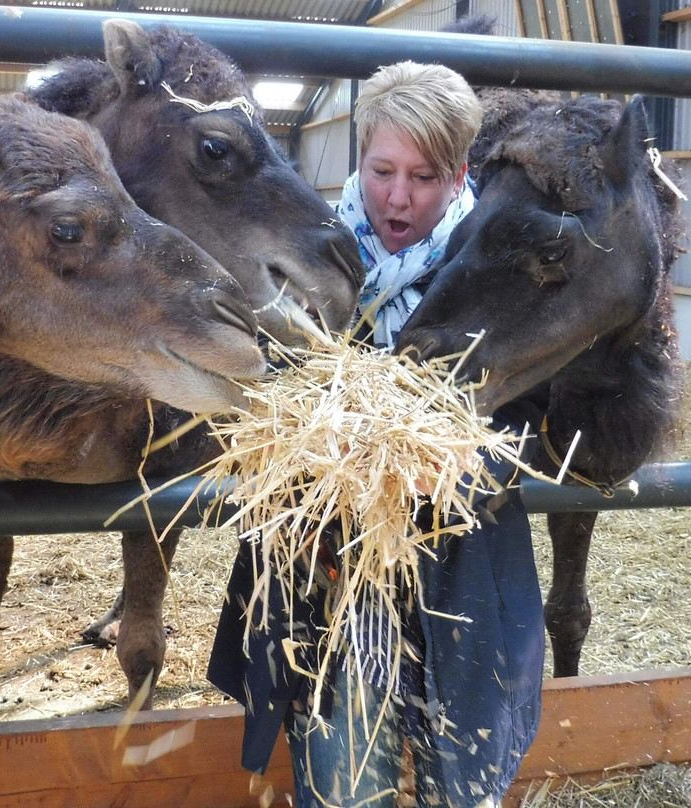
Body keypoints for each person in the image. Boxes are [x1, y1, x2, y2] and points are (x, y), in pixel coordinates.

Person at [206, 61, 546, 808]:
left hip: (461, 573)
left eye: (423, 177)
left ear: (460, 175)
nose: (397, 196)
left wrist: (460, 461)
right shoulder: (309, 261)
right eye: (381, 169)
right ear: (358, 159)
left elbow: (538, 427)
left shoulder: (495, 269)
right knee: (340, 779)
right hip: (334, 580)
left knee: (461, 783)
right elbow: (261, 404)